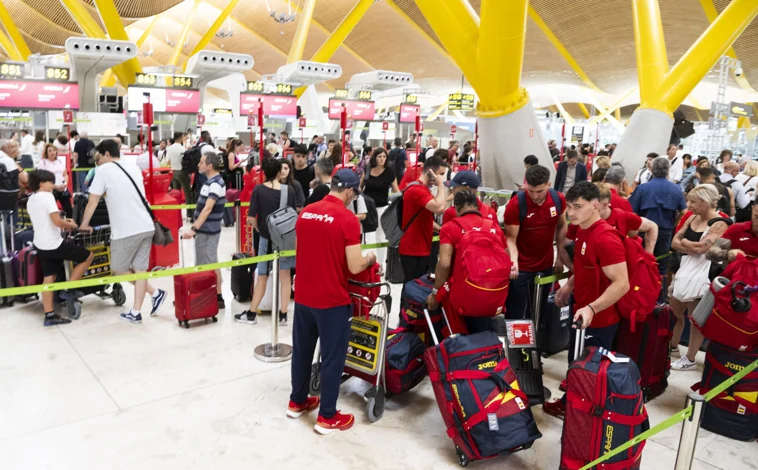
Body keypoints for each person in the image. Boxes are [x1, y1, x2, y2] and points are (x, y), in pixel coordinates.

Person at [287, 169, 376, 435]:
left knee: (302, 351)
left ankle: (297, 401)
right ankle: (327, 415)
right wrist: (370, 258)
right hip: (332, 299)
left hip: (303, 295)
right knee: (333, 357)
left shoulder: (307, 212)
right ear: (349, 191)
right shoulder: (348, 220)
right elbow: (354, 265)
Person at [543, 181, 629, 419]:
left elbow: (622, 283)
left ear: (595, 205)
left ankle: (583, 413)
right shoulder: (582, 229)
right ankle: (571, 402)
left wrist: (592, 308)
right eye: (569, 206)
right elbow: (584, 266)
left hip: (599, 319)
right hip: (582, 310)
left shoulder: (606, 238)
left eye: (578, 206)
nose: (571, 212)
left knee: (590, 368)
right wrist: (569, 286)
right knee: (576, 361)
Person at [79, 139, 167, 324]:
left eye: (99, 157)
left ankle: (154, 294)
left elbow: (92, 201)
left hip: (127, 230)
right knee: (140, 270)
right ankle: (138, 310)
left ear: (107, 155)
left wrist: (84, 224)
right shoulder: (132, 167)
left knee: (118, 269)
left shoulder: (103, 171)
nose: (98, 161)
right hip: (146, 226)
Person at [669, 184, 730, 371]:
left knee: (695, 319)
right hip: (684, 270)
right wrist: (691, 245)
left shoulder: (719, 223)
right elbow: (674, 242)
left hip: (704, 274)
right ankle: (672, 347)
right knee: (674, 313)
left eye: (693, 202)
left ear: (704, 202)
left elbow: (702, 249)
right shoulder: (693, 217)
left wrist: (685, 243)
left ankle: (690, 357)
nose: (689, 205)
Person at [427, 190, 506, 334]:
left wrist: (435, 292)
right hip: (490, 292)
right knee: (483, 334)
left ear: (456, 207)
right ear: (477, 207)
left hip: (462, 295)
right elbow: (505, 258)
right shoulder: (493, 228)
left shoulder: (450, 228)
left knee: (461, 337)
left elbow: (444, 264)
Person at [26, 170, 94, 326]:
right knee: (87, 256)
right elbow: (56, 222)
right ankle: (69, 288)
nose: (53, 185)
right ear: (41, 183)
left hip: (40, 244)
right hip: (54, 244)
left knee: (49, 278)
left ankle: (49, 316)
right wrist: (71, 224)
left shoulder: (31, 199)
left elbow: (46, 219)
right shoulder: (48, 196)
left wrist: (63, 220)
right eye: (50, 182)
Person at [235, 158, 297, 326]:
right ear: (279, 172)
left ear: (264, 173)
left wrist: (258, 228)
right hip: (285, 240)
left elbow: (250, 218)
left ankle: (252, 313)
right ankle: (283, 314)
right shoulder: (289, 190)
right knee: (285, 277)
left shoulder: (259, 190)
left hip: (266, 239)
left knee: (262, 276)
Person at [504, 165, 567, 320]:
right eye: (530, 191)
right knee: (517, 312)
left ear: (548, 185)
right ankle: (516, 344)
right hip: (521, 267)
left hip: (545, 265)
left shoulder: (558, 199)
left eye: (540, 191)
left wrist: (559, 257)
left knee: (540, 310)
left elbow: (561, 226)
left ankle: (539, 341)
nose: (535, 196)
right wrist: (513, 262)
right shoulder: (516, 204)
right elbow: (511, 238)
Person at [629, 156, 687, 299]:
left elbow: (632, 212)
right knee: (661, 266)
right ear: (668, 171)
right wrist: (675, 222)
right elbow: (685, 212)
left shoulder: (642, 188)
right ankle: (659, 298)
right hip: (665, 232)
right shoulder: (676, 189)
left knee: (641, 264)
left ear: (652, 170)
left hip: (643, 232)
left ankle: (639, 294)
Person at [563, 184, 658, 267]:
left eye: (595, 207)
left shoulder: (622, 216)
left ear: (604, 204)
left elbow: (652, 226)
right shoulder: (582, 219)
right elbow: (566, 244)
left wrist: (649, 256)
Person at [181, 152, 227, 310]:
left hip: (207, 231)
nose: (198, 165)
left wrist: (194, 229)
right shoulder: (213, 182)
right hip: (210, 230)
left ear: (209, 166)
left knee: (204, 265)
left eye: (201, 162)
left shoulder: (214, 184)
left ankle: (205, 298)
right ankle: (218, 296)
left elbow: (207, 209)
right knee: (212, 261)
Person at [398, 155, 448, 283]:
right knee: (412, 287)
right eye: (441, 174)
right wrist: (441, 186)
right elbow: (438, 207)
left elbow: (426, 218)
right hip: (413, 249)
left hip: (422, 246)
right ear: (431, 172)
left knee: (419, 285)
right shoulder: (417, 190)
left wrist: (441, 229)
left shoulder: (423, 190)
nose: (442, 178)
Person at [361, 147, 399, 266]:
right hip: (366, 207)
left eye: (384, 157)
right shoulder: (367, 169)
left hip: (382, 207)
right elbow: (360, 186)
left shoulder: (389, 172)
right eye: (379, 156)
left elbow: (396, 190)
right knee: (366, 235)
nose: (382, 159)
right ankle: (365, 261)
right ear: (375, 158)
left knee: (381, 237)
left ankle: (380, 264)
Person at [708, 195, 758, 262]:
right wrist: (727, 254)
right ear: (753, 208)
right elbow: (711, 252)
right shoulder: (737, 229)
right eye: (756, 217)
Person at [36, 144, 73, 218]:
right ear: (46, 152)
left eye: (54, 150)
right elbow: (42, 177)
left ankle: (70, 227)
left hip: (62, 188)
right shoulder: (43, 162)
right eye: (50, 151)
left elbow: (65, 174)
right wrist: (55, 187)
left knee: (69, 210)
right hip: (51, 190)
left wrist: (65, 183)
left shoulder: (59, 161)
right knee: (51, 210)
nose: (52, 152)